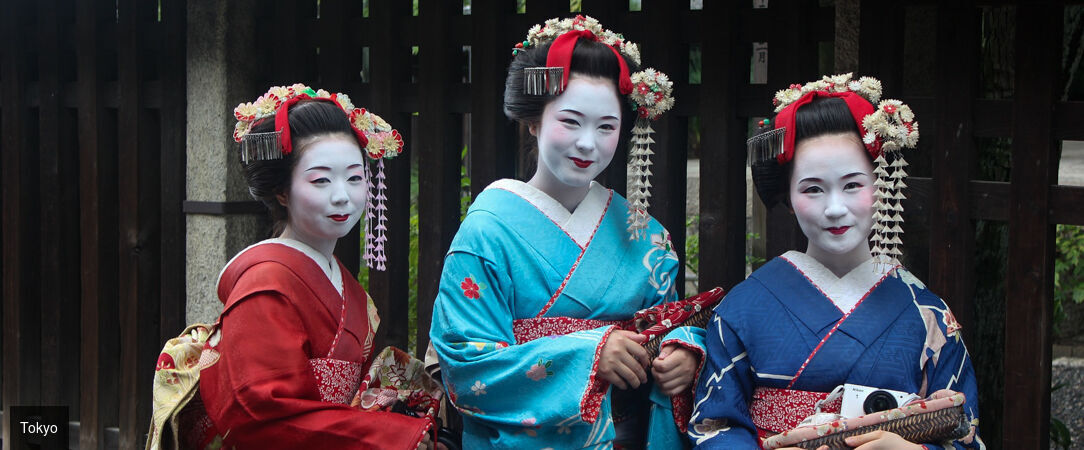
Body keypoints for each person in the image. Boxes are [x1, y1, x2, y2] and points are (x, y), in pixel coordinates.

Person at [429, 15, 705, 449]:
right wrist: (589, 356)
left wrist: (684, 352)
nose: (587, 144)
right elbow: (465, 366)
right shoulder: (488, 230)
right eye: (570, 121)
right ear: (534, 120)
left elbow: (671, 323)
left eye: (606, 127)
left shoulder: (646, 235)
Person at [687, 74, 984, 449]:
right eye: (812, 189)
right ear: (789, 195)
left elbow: (964, 431)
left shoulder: (926, 312)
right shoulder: (743, 307)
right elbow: (714, 425)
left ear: (882, 185)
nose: (835, 208)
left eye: (853, 185)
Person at [195, 84, 439, 449]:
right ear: (282, 191)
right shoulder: (265, 284)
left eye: (355, 178)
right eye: (321, 179)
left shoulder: (342, 281)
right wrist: (387, 438)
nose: (342, 195)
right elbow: (263, 412)